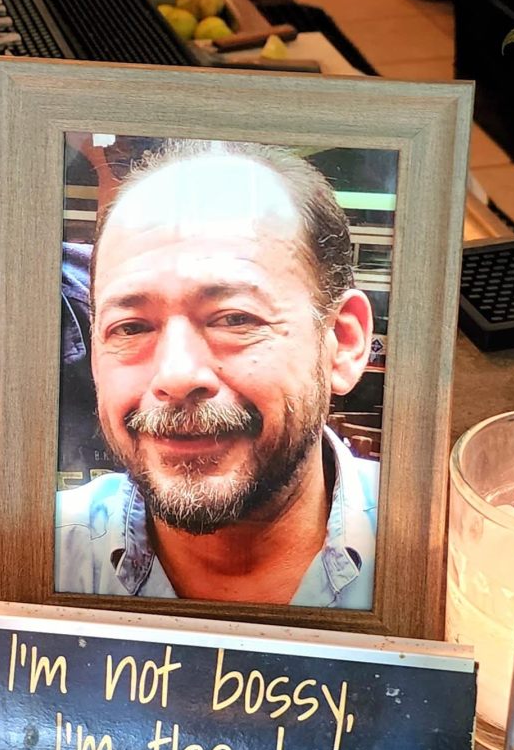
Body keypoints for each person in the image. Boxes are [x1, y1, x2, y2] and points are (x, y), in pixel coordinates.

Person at [55, 139, 379, 609]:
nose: (176, 376)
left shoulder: (459, 564)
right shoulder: (35, 551)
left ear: (343, 344)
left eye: (234, 319)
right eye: (131, 327)